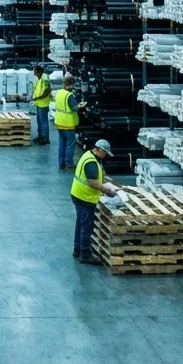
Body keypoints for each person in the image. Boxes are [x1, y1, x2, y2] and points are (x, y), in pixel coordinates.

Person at [71, 134, 121, 264]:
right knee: (87, 226)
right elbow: (92, 182)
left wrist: (112, 184)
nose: (105, 156)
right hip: (85, 197)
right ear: (99, 149)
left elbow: (100, 177)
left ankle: (77, 249)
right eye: (105, 153)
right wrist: (108, 191)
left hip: (78, 194)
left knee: (80, 223)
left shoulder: (90, 156)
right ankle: (85, 254)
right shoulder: (91, 162)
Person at [51, 74, 79, 169]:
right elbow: (74, 108)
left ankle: (61, 164)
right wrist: (80, 106)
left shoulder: (59, 93)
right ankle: (69, 164)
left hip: (59, 122)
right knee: (70, 144)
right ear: (70, 85)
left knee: (62, 144)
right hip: (68, 124)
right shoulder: (70, 96)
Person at [30, 66, 51, 145]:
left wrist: (37, 98)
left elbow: (47, 91)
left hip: (43, 103)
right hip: (39, 103)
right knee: (39, 121)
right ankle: (40, 136)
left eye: (35, 72)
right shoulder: (39, 78)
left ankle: (45, 138)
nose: (35, 74)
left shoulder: (44, 79)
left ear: (39, 72)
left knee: (43, 122)